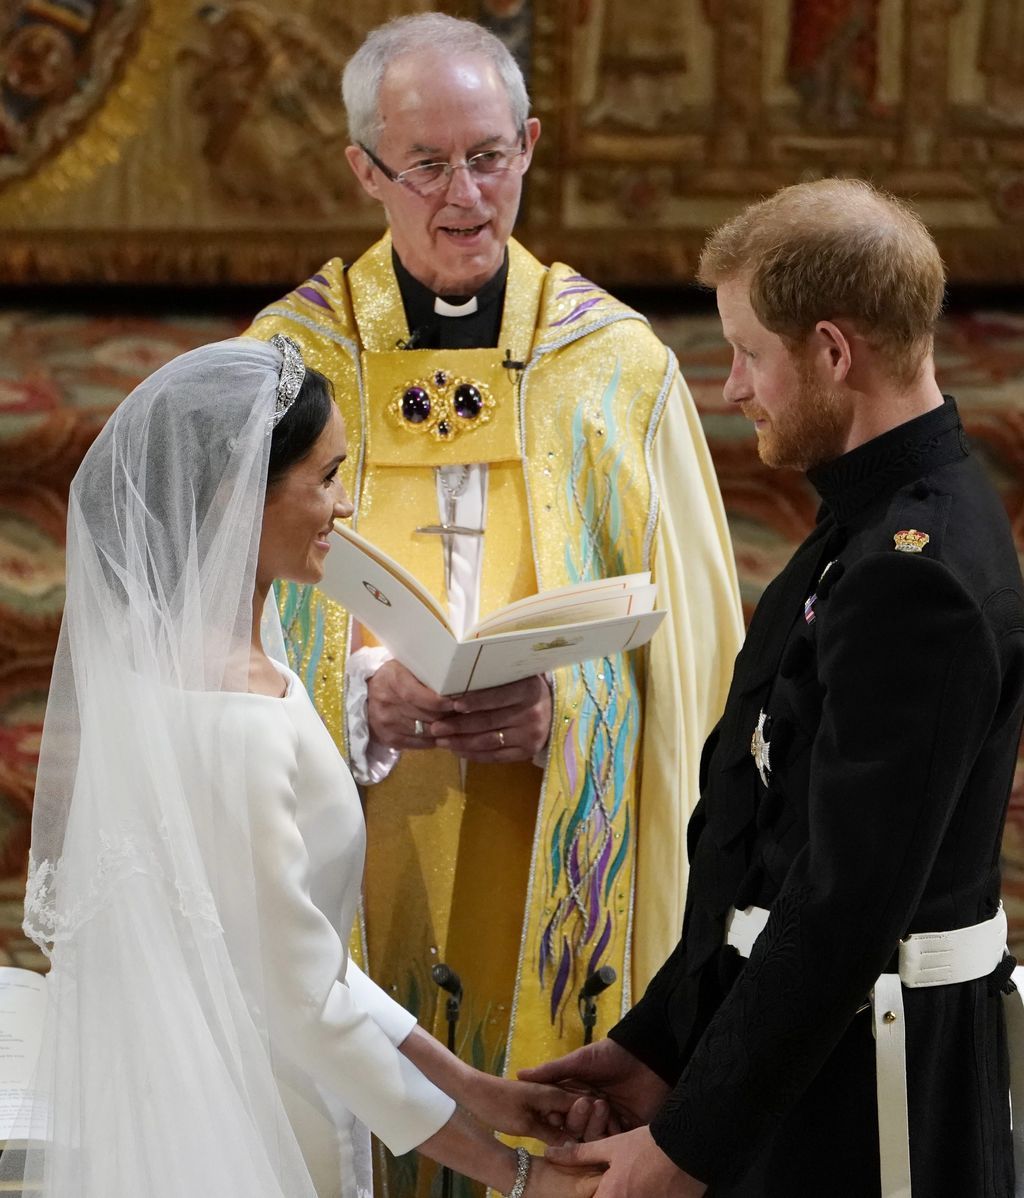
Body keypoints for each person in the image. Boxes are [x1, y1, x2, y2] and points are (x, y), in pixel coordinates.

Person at [246, 20, 743, 1167]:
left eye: (490, 155)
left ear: (528, 145)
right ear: (365, 170)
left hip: (555, 850)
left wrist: (568, 718)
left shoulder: (615, 368)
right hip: (359, 835)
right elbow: (213, 615)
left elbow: (701, 666)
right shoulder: (290, 361)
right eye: (426, 164)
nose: (465, 194)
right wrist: (350, 697)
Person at [3, 336, 603, 1198]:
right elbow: (305, 1005)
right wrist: (514, 1176)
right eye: (324, 479)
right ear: (236, 498)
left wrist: (478, 1089)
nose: (347, 506)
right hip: (256, 1127)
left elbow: (306, 958)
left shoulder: (229, 672)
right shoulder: (231, 719)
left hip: (282, 1093)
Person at [523, 178, 1024, 1197]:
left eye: (749, 353)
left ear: (833, 353)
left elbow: (841, 911)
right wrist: (661, 1041)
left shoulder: (910, 574)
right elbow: (762, 842)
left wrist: (683, 1147)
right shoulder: (873, 515)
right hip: (808, 1053)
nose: (733, 389)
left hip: (871, 1083)